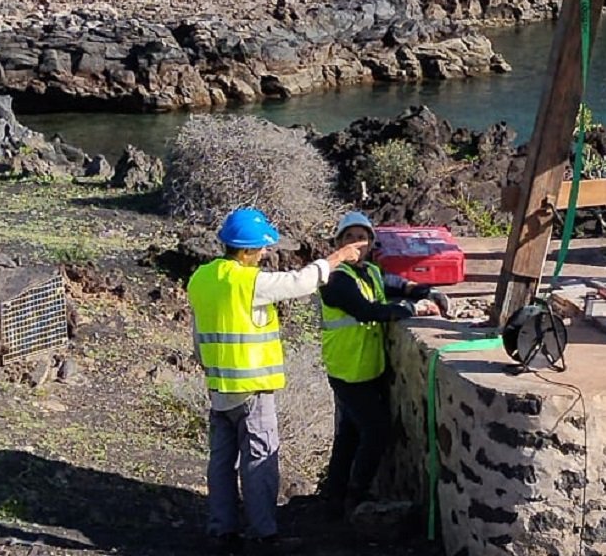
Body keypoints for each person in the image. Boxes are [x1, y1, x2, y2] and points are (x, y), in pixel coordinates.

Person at [187, 208, 367, 551]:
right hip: (253, 389)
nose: (265, 253)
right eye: (261, 248)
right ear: (244, 251)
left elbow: (197, 335)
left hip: (219, 387)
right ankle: (263, 532)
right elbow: (299, 283)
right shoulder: (249, 281)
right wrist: (339, 257)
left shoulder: (201, 278)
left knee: (221, 462)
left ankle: (222, 527)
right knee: (260, 461)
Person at [317, 210, 449, 519]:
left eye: (361, 238)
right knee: (375, 431)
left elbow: (393, 283)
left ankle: (334, 496)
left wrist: (423, 290)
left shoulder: (369, 273)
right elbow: (366, 311)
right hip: (348, 370)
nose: (355, 244)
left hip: (364, 367)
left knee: (350, 434)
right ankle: (356, 497)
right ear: (337, 244)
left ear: (371, 243)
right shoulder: (336, 280)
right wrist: (411, 308)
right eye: (348, 238)